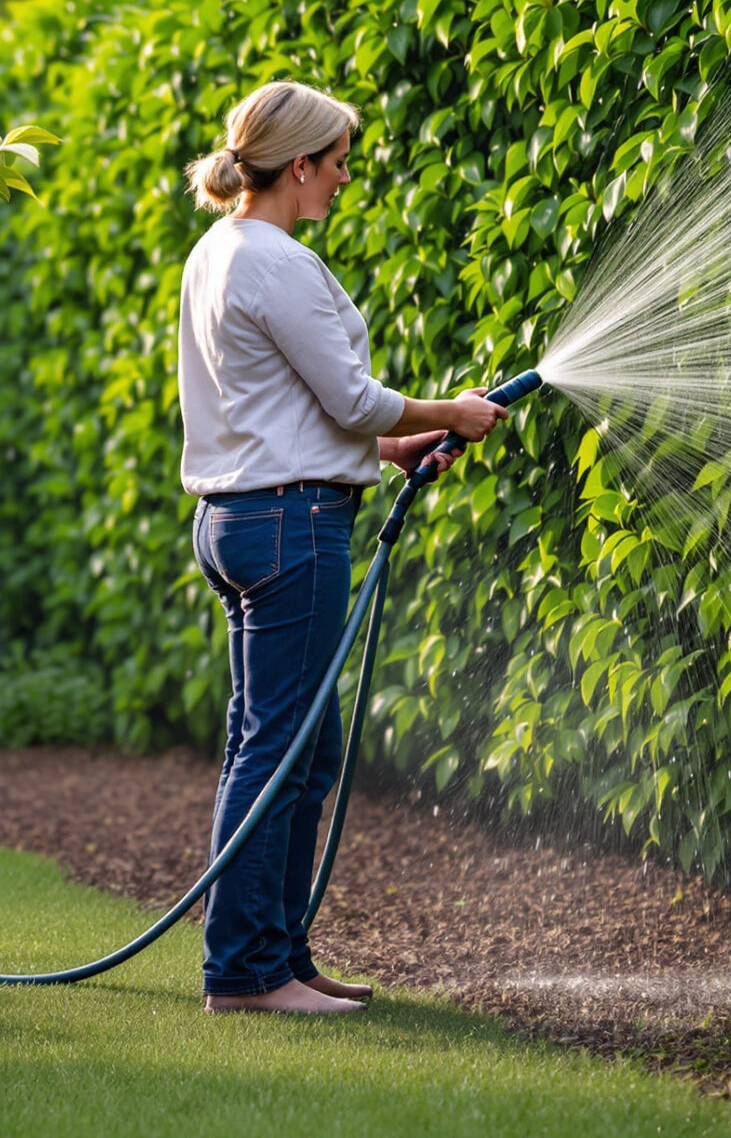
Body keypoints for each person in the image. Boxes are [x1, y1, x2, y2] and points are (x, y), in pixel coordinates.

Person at [176, 80, 509, 1014]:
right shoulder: (274, 260)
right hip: (290, 528)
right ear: (296, 165)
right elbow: (352, 397)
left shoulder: (218, 253)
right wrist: (451, 411)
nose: (345, 178)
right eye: (337, 162)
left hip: (244, 518)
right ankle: (244, 973)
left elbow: (280, 406)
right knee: (278, 748)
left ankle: (279, 956)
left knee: (295, 746)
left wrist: (394, 448)